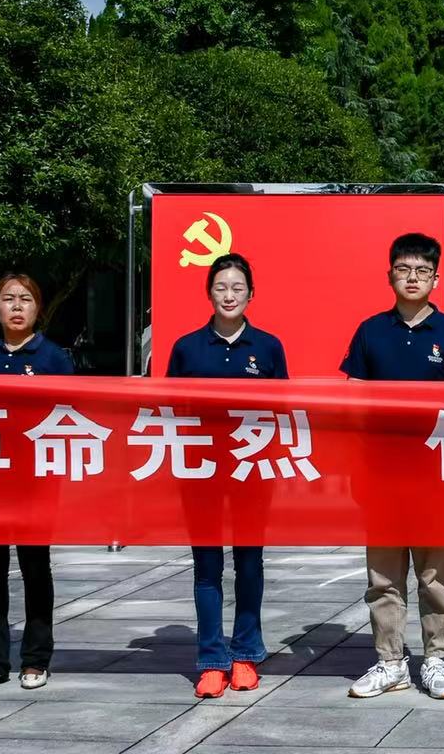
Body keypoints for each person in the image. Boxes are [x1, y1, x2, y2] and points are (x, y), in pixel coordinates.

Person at [342, 232, 444, 702]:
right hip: (380, 473)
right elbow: (352, 401)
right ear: (390, 276)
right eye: (404, 269)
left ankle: (436, 658)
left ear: (436, 279)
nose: (412, 278)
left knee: (434, 575)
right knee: (383, 577)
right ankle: (390, 662)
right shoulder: (370, 331)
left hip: (436, 474)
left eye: (422, 270)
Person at [165, 252, 289, 699]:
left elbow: (282, 411)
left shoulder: (268, 347)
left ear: (251, 294)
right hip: (201, 473)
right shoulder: (187, 348)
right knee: (207, 567)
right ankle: (212, 661)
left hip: (252, 472)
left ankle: (245, 655)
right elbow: (171, 411)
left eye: (237, 288)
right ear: (209, 293)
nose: (229, 295)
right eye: (221, 287)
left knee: (249, 563)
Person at [0, 272, 75, 691]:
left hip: (36, 479)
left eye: (25, 299)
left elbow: (71, 415)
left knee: (35, 567)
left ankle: (35, 659)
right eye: (8, 298)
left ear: (38, 308)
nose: (16, 306)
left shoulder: (54, 359)